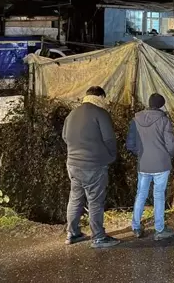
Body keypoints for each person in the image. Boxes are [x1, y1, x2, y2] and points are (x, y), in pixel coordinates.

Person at [62, 86, 120, 248]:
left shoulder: (72, 114)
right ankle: (99, 238)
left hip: (73, 164)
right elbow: (109, 139)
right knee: (95, 201)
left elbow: (65, 137)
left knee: (75, 198)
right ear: (101, 97)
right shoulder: (101, 114)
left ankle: (72, 233)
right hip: (94, 165)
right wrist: (111, 156)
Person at [126, 93, 174, 241]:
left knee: (141, 194)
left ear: (148, 103)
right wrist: (168, 155)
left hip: (143, 163)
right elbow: (171, 144)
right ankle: (159, 229)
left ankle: (135, 227)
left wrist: (141, 152)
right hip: (161, 163)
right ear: (161, 105)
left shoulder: (135, 119)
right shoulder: (164, 120)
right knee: (159, 195)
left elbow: (130, 144)